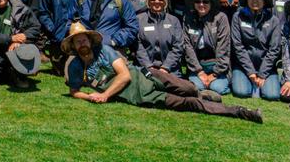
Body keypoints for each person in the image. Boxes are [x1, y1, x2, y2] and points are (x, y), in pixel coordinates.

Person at [63, 29, 262, 123]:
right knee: (191, 105)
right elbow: (74, 91)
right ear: (72, 46)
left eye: (84, 40)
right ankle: (241, 112)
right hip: (143, 96)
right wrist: (89, 96)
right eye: (77, 42)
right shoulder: (75, 67)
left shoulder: (104, 50)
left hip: (149, 75)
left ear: (90, 40)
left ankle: (202, 94)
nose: (82, 44)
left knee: (189, 89)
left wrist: (105, 95)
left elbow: (124, 76)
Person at [227, 0, 283, 100]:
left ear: (264, 1)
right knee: (241, 92)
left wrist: (262, 74)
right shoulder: (237, 17)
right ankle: (251, 82)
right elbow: (238, 46)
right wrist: (250, 72)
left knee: (272, 95)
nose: (255, 0)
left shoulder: (273, 20)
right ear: (246, 0)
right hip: (243, 66)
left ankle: (261, 83)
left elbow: (274, 49)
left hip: (266, 67)